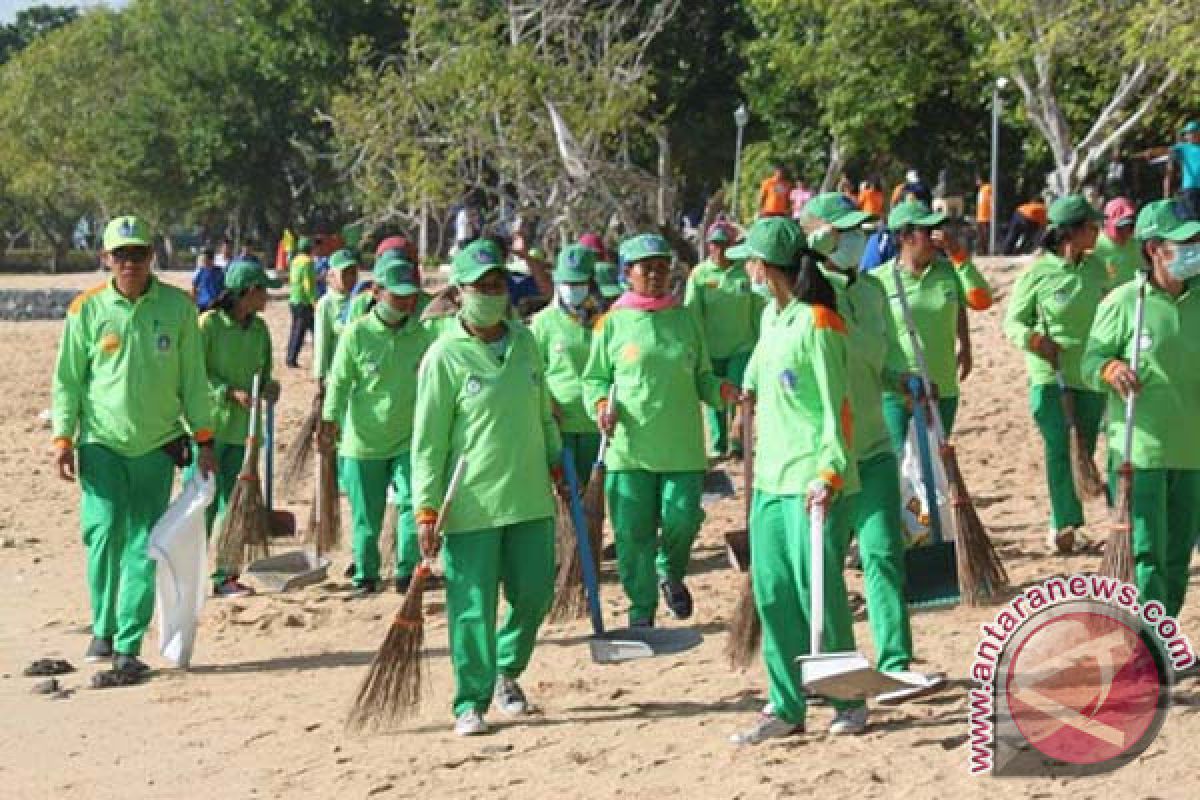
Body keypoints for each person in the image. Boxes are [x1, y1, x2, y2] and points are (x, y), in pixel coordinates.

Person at [52, 215, 215, 682]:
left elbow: (194, 380)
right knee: (103, 533)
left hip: (157, 445)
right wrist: (63, 437)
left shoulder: (179, 308)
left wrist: (203, 437)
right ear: (105, 259)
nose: (130, 263)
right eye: (120, 255)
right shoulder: (86, 309)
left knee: (145, 544)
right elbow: (68, 380)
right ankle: (101, 626)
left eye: (138, 254)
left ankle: (127, 642)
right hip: (100, 443)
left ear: (151, 257)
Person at [412, 239, 562, 736]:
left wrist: (556, 458)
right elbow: (428, 442)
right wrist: (426, 508)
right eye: (481, 287)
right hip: (470, 504)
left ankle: (506, 671)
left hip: (529, 496)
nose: (492, 294)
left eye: (498, 285)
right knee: (472, 606)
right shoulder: (443, 357)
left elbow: (542, 410)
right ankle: (470, 700)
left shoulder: (526, 342)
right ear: (460, 293)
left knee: (535, 591)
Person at [800, 193, 945, 697]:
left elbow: (875, 360)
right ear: (821, 238)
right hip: (827, 458)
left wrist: (900, 379)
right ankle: (836, 665)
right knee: (826, 564)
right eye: (847, 230)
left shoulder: (872, 292)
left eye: (861, 229)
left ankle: (895, 660)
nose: (858, 238)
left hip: (875, 447)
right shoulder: (805, 302)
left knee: (885, 552)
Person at [725, 216, 863, 744]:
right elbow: (755, 380)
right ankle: (785, 703)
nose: (749, 272)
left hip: (813, 479)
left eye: (753, 263)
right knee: (774, 595)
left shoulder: (820, 322)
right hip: (769, 482)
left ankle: (847, 698)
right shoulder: (771, 317)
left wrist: (829, 470)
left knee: (818, 594)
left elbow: (838, 409)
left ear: (768, 267)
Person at [582, 233, 737, 626]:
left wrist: (724, 392)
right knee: (632, 534)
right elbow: (595, 379)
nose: (655, 275)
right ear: (627, 273)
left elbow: (703, 377)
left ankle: (670, 571)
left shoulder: (685, 320)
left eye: (662, 267)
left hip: (682, 447)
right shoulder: (611, 324)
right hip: (628, 450)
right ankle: (641, 609)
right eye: (646, 268)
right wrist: (601, 404)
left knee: (683, 518)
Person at [1083, 199, 1200, 616]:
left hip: (1190, 448)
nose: (1194, 250)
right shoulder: (1124, 301)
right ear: (1154, 250)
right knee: (1146, 551)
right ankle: (1149, 641)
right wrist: (1110, 368)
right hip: (1141, 449)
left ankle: (1163, 634)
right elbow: (1090, 361)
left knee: (1177, 554)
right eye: (1184, 244)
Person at [324, 255, 434, 596]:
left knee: (411, 505)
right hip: (363, 442)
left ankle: (406, 572)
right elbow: (339, 382)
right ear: (376, 292)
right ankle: (366, 574)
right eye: (397, 296)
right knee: (366, 517)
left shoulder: (422, 334)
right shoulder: (356, 333)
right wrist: (330, 419)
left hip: (408, 440)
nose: (405, 303)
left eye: (410, 296)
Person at [1004, 196, 1109, 554]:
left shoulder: (1097, 269)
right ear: (1072, 232)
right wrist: (1035, 340)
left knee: (1084, 447)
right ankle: (1064, 525)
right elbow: (1013, 321)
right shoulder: (1038, 272)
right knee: (1058, 448)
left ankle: (1067, 518)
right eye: (1093, 227)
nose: (1098, 233)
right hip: (1050, 375)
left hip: (1091, 374)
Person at [188, 258, 282, 597]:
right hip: (209, 428)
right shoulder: (208, 326)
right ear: (247, 293)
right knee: (202, 506)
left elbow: (266, 372)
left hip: (246, 430)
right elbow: (194, 373)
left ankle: (225, 576)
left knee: (236, 506)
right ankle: (188, 575)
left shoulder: (259, 330)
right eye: (262, 293)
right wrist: (227, 391)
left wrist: (270, 389)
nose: (267, 300)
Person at [873, 199, 994, 453]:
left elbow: (980, 301)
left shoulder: (949, 271)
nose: (936, 237)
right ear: (906, 237)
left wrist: (958, 255)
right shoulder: (878, 281)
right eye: (927, 232)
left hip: (943, 387)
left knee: (934, 469)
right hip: (897, 391)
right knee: (901, 474)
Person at [683, 222, 764, 459]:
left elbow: (758, 307)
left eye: (723, 244)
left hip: (742, 345)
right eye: (714, 244)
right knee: (717, 397)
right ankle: (719, 445)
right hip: (711, 348)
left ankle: (740, 442)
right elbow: (692, 312)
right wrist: (697, 345)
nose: (718, 250)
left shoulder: (744, 273)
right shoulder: (700, 274)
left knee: (739, 393)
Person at [530, 244, 604, 483]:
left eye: (579, 284)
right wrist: (548, 405)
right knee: (564, 492)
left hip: (595, 422)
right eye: (567, 284)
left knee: (592, 495)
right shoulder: (543, 322)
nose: (573, 290)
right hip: (559, 425)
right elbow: (532, 371)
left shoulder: (606, 320)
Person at [313, 249, 360, 388]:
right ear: (331, 276)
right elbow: (322, 342)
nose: (350, 278)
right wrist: (320, 377)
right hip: (336, 377)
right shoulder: (326, 304)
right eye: (345, 273)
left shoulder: (360, 300)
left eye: (353, 273)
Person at [1137, 121, 1200, 220]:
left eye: (1191, 132)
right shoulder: (1183, 147)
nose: (1188, 135)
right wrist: (1151, 152)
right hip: (1191, 189)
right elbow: (1166, 150)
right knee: (1194, 219)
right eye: (1187, 133)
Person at [1092, 197, 1141, 288]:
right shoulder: (1095, 245)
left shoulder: (1136, 243)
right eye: (1121, 227)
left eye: (1130, 225)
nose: (1126, 231)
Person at [286, 236, 317, 368]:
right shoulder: (308, 262)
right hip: (304, 301)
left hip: (294, 299)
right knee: (302, 331)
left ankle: (290, 356)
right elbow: (308, 283)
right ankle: (291, 359)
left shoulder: (295, 260)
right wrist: (313, 300)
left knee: (296, 330)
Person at [191, 247, 224, 312]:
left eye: (204, 259)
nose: (203, 261)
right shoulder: (199, 272)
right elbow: (194, 288)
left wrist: (218, 300)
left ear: (211, 260)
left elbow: (223, 289)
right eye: (202, 259)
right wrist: (194, 302)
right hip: (202, 305)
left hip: (216, 305)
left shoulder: (219, 272)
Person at [975, 176, 993, 255]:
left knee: (985, 236)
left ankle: (986, 252)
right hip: (980, 217)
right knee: (981, 236)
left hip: (986, 217)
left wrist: (992, 214)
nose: (976, 182)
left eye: (978, 180)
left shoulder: (988, 187)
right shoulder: (981, 190)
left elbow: (992, 200)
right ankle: (982, 252)